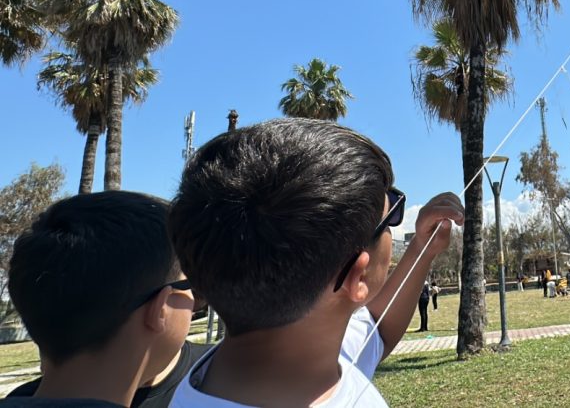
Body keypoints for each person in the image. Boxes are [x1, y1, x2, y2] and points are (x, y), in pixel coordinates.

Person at [167, 119, 463, 408]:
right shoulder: (311, 348)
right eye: (391, 217)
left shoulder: (304, 350)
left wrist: (422, 250)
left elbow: (378, 329)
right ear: (357, 277)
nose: (395, 223)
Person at [4, 192, 206, 408]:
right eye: (188, 286)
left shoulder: (19, 396)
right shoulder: (218, 386)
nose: (193, 301)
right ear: (161, 309)